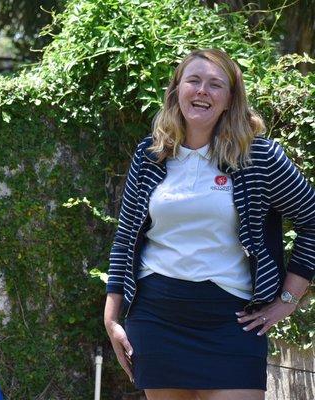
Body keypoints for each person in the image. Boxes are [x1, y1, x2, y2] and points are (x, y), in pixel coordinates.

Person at [103, 49, 314, 400]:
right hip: (157, 318)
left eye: (215, 85)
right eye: (194, 81)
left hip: (232, 321)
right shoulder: (149, 154)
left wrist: (289, 299)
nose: (203, 91)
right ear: (177, 90)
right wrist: (112, 320)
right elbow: (125, 239)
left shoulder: (258, 157)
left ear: (230, 100)